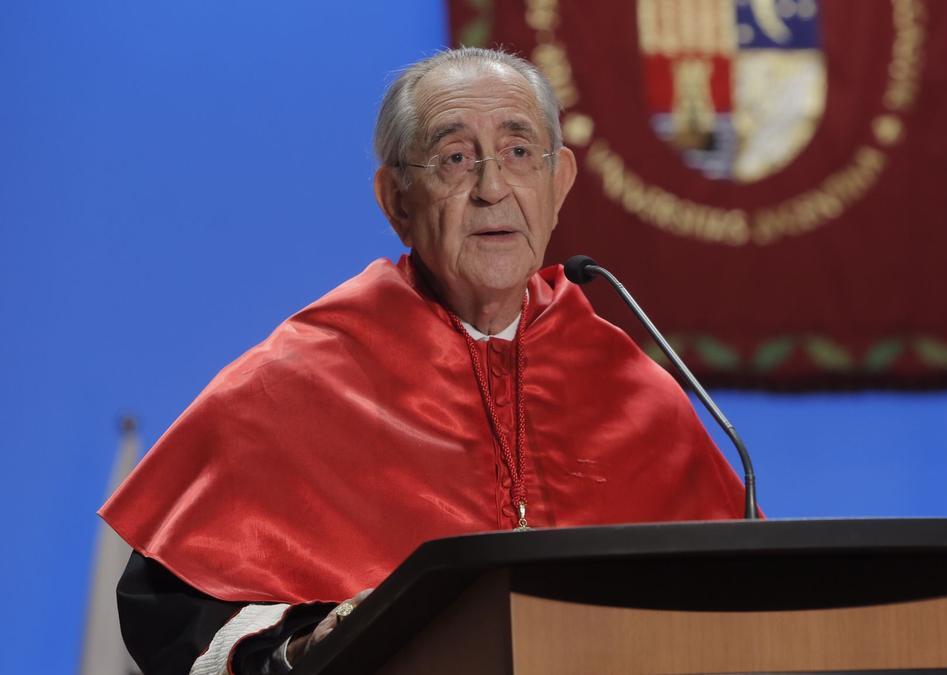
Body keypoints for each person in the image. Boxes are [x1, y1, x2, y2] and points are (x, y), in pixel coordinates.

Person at [100, 47, 748, 674]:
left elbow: (740, 599)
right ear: (396, 201)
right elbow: (168, 607)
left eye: (520, 152)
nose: (493, 187)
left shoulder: (631, 387)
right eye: (455, 158)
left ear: (560, 183)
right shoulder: (298, 375)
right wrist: (299, 647)